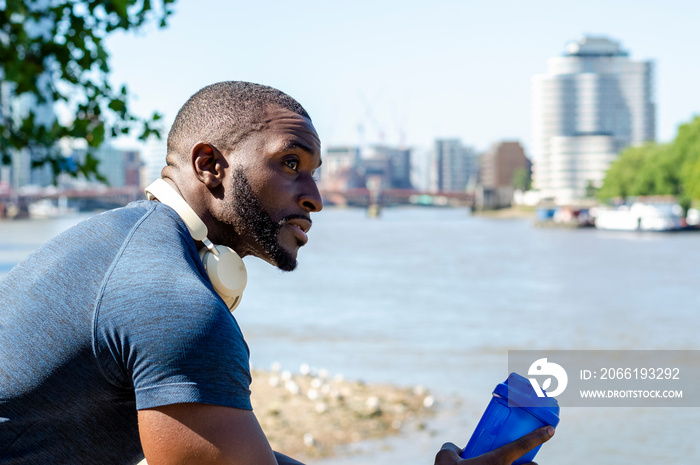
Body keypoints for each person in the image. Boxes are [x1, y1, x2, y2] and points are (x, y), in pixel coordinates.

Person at [0, 81, 553, 465]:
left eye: (316, 173)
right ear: (211, 166)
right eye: (291, 163)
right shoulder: (175, 306)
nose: (315, 198)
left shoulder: (121, 239)